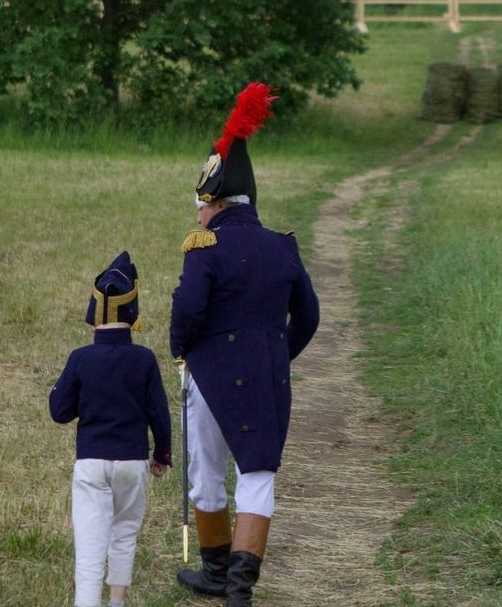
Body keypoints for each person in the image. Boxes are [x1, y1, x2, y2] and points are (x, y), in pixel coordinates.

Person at [170, 83, 320, 606]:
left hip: (209, 375)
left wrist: (180, 348)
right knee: (257, 474)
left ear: (215, 201)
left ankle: (214, 571)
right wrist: (277, 355)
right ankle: (238, 591)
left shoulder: (204, 246)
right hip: (266, 376)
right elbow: (309, 316)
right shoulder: (282, 246)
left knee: (205, 471)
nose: (197, 216)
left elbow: (186, 310)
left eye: (201, 206)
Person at [50, 250, 172, 607]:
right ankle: (117, 602)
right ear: (132, 312)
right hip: (132, 463)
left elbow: (59, 411)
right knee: (124, 535)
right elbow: (159, 413)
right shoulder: (145, 359)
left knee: (90, 549)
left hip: (91, 462)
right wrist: (161, 454)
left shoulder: (81, 358)